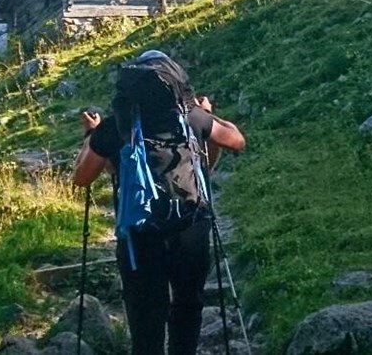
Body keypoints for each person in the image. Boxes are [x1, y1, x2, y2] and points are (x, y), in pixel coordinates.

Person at [72, 51, 246, 355]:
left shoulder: (115, 126)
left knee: (145, 318)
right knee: (187, 305)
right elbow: (236, 141)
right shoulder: (190, 117)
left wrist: (90, 135)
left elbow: (82, 178)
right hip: (191, 223)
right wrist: (206, 113)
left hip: (140, 234)